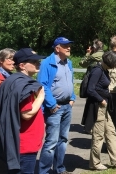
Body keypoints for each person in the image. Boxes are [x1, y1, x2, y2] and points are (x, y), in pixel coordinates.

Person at [0, 48, 46, 174]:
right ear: (22, 65)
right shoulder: (23, 86)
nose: (38, 63)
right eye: (34, 61)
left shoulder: (13, 80)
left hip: (20, 143)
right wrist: (41, 97)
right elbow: (27, 113)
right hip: (24, 145)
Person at [83, 51, 116, 170]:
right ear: (109, 62)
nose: (115, 67)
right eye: (114, 64)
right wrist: (101, 100)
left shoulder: (104, 69)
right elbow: (90, 90)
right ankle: (94, 163)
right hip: (98, 107)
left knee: (111, 132)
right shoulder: (97, 70)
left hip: (104, 107)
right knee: (98, 136)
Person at [38, 37, 76, 174]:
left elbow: (70, 82)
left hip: (67, 106)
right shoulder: (47, 63)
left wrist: (72, 98)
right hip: (55, 108)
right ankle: (44, 171)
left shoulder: (68, 62)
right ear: (57, 48)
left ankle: (59, 169)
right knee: (51, 142)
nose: (69, 48)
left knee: (63, 139)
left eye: (69, 45)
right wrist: (52, 104)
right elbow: (42, 85)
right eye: (65, 45)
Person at [79, 39, 104, 134]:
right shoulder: (105, 55)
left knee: (90, 104)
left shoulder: (93, 56)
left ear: (94, 48)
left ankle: (88, 126)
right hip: (101, 83)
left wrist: (88, 53)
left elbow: (82, 63)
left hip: (92, 83)